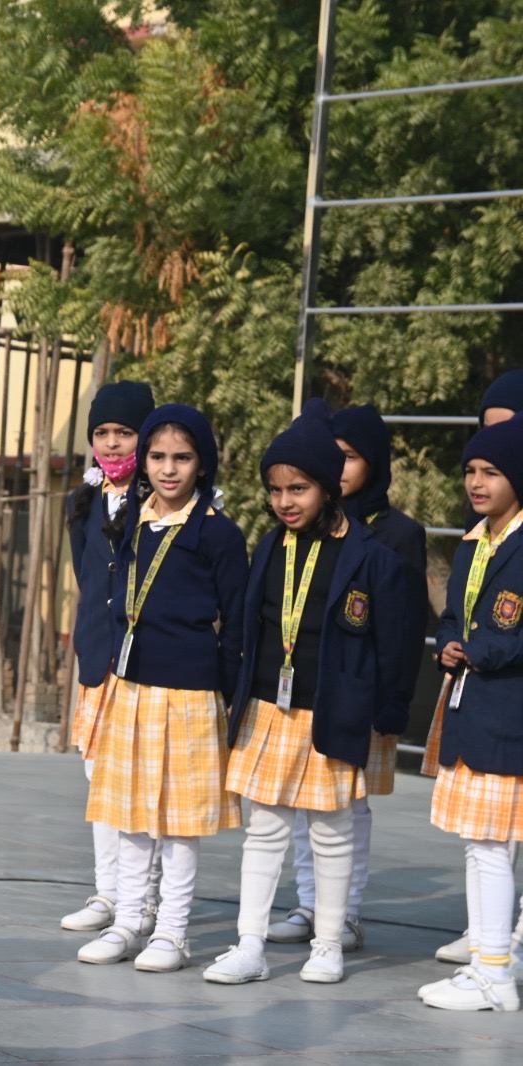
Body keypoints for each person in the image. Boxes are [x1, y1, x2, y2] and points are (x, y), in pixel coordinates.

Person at [204, 400, 412, 987]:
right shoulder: (271, 546)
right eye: (275, 490)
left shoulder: (371, 557)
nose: (285, 501)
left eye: (298, 489)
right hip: (269, 709)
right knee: (264, 829)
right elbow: (251, 627)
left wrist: (386, 707)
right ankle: (250, 944)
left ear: (327, 487)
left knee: (332, 829)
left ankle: (328, 944)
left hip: (333, 711)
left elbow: (395, 644)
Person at [78, 405, 246, 973]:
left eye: (182, 457)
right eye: (158, 457)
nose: (169, 469)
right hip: (130, 689)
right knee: (129, 815)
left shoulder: (219, 533)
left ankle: (172, 932)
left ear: (203, 464)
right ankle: (128, 921)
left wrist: (226, 693)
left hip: (190, 695)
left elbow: (237, 623)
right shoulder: (133, 519)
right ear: (144, 461)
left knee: (179, 823)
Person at [268, 404, 427, 951]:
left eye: (351, 457)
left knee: (348, 808)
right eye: (331, 457)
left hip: (365, 695)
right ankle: (308, 903)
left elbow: (406, 628)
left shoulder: (398, 534)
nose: (338, 467)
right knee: (303, 804)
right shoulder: (307, 528)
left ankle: (346, 913)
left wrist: (396, 698)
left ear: (374, 462)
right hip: (311, 694)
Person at [418, 415, 523, 1012]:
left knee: (491, 846)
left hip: (505, 712)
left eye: (492, 472)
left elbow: (512, 632)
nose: (476, 483)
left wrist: (481, 650)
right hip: (470, 705)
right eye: (470, 471)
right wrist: (449, 643)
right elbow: (454, 615)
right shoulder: (473, 541)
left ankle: (496, 975)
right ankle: (485, 962)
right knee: (477, 844)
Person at [61, 380, 158, 935]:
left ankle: (144, 898)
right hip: (97, 655)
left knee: (139, 781)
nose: (113, 443)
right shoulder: (83, 501)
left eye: (125, 432)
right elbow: (87, 575)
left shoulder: (161, 501)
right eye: (102, 432)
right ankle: (108, 892)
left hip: (143, 659)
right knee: (98, 774)